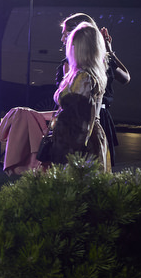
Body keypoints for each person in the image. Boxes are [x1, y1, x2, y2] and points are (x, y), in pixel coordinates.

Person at [54, 13, 129, 165]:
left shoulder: (80, 69)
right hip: (99, 118)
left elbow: (125, 78)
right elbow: (125, 78)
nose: (63, 39)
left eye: (66, 34)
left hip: (86, 122)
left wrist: (109, 51)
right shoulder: (102, 61)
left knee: (84, 164)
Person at [46, 21, 110, 171]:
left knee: (76, 181)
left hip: (76, 141)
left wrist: (70, 153)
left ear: (79, 48)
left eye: (72, 44)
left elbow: (80, 120)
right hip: (75, 137)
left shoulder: (84, 77)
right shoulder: (82, 74)